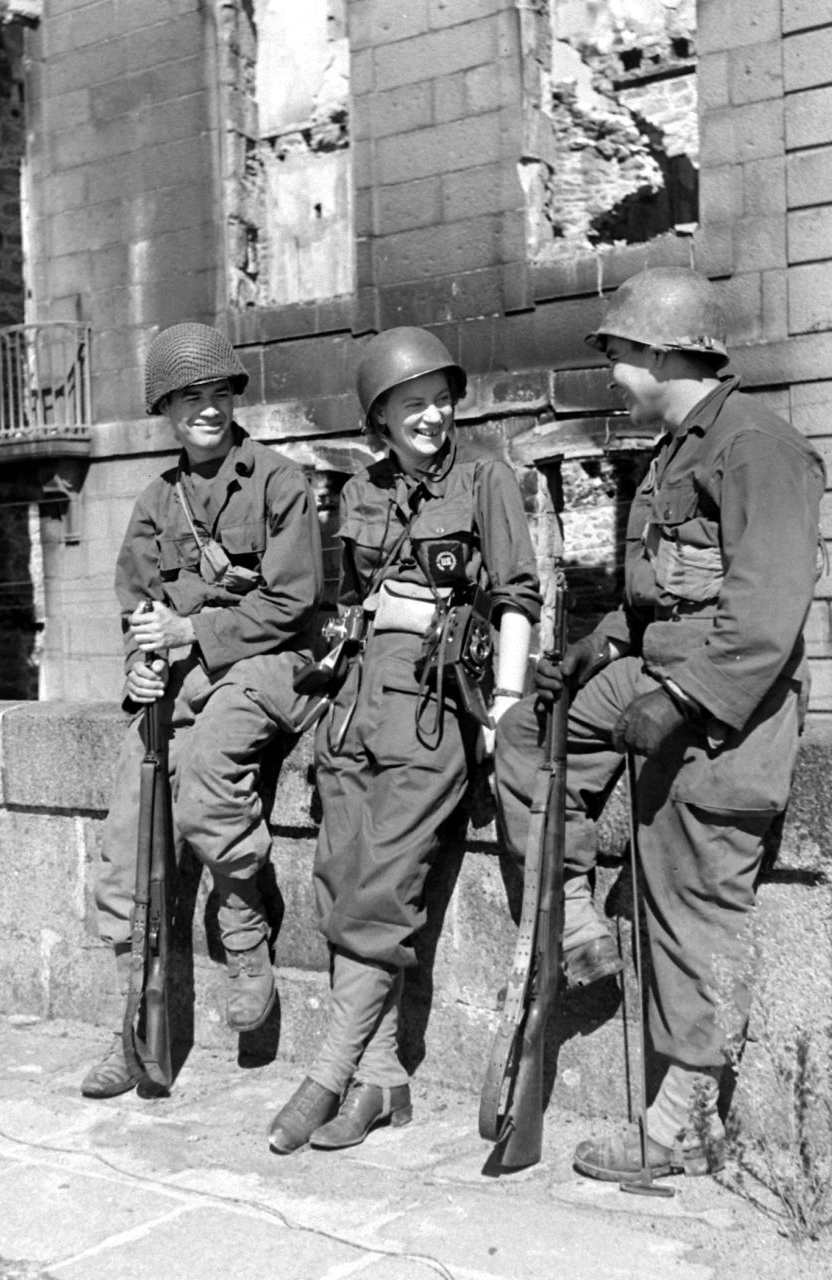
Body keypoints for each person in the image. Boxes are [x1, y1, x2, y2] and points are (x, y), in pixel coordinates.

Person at [494, 267, 826, 1181]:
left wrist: (677, 703)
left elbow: (764, 617)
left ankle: (684, 1123)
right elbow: (652, 605)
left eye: (620, 356)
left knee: (693, 900)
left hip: (728, 711)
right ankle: (573, 924)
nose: (612, 375)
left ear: (664, 352)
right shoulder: (677, 451)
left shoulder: (758, 448)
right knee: (530, 733)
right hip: (657, 675)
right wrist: (590, 652)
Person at [268, 326, 541, 1153]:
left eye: (439, 399)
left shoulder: (488, 478)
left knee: (384, 886)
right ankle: (383, 1082)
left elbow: (517, 596)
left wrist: (504, 703)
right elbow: (347, 600)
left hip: (432, 702)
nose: (431, 416)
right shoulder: (360, 491)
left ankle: (328, 1070)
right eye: (410, 404)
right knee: (341, 879)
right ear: (378, 419)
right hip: (355, 705)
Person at [81, 322, 324, 1098]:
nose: (208, 409)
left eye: (220, 394)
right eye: (190, 397)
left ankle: (247, 937)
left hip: (266, 665)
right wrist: (141, 668)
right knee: (128, 834)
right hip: (181, 678)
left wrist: (195, 630)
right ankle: (133, 1021)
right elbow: (136, 605)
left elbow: (293, 602)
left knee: (213, 778)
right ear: (166, 409)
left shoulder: (280, 482)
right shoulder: (157, 502)